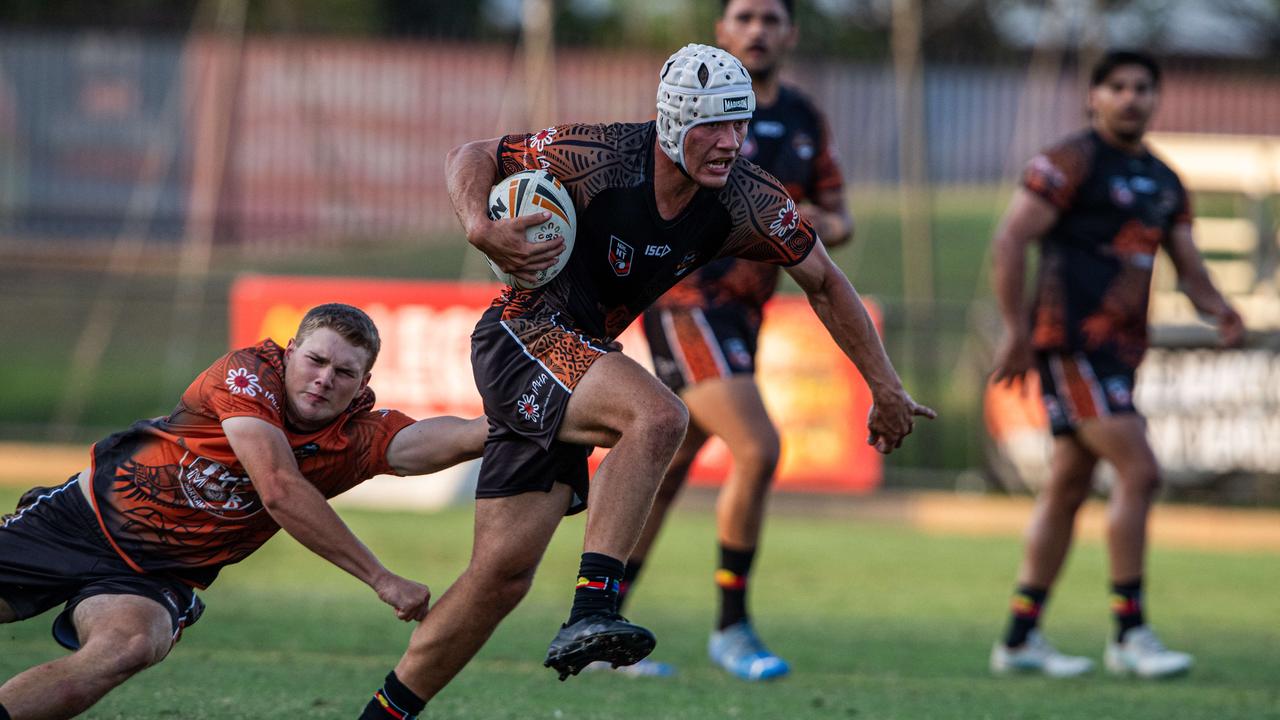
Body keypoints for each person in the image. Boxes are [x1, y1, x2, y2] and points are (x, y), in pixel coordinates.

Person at [357, 43, 933, 720]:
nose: (731, 142)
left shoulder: (747, 198)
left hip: (580, 353)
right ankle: (594, 606)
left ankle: (381, 716)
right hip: (522, 332)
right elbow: (472, 154)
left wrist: (886, 386)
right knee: (659, 416)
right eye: (712, 125)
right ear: (671, 122)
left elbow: (827, 283)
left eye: (739, 123)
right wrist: (480, 228)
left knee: (499, 579)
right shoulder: (599, 155)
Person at [0, 303, 487, 720]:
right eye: (315, 360)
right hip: (77, 522)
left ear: (364, 381)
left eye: (344, 373)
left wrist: (533, 420)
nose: (324, 380)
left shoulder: (356, 435)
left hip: (160, 575)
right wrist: (382, 578)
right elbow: (278, 488)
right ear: (290, 351)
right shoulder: (246, 374)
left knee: (129, 645)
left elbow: (454, 438)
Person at [613, 0, 854, 681]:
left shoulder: (805, 118)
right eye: (744, 16)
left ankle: (597, 621)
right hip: (688, 300)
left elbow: (842, 220)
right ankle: (732, 626)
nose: (757, 30)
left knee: (664, 471)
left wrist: (806, 224)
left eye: (771, 18)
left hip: (746, 315)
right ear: (721, 30)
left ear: (790, 35)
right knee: (759, 446)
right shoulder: (688, 104)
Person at [988, 50, 1244, 679]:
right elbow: (1011, 236)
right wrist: (1018, 328)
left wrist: (1222, 311)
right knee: (1142, 468)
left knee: (1069, 485)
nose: (1131, 98)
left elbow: (1187, 264)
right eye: (1118, 87)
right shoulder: (1070, 161)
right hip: (1069, 343)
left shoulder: (1162, 179)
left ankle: (1020, 637)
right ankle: (1130, 632)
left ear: (1156, 99)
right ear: (1093, 97)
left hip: (1120, 353)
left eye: (1142, 88)